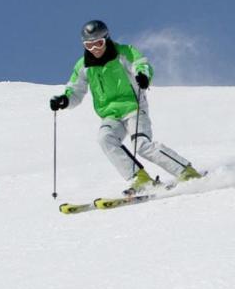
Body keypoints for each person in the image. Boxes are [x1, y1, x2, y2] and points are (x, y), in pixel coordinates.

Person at [50, 20, 203, 194]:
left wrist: (143, 76)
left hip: (133, 107)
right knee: (104, 139)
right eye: (89, 45)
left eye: (98, 43)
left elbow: (141, 64)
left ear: (106, 39)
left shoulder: (124, 52)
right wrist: (65, 99)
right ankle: (140, 179)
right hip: (110, 115)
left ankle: (186, 172)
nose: (95, 49)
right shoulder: (83, 66)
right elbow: (75, 89)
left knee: (141, 145)